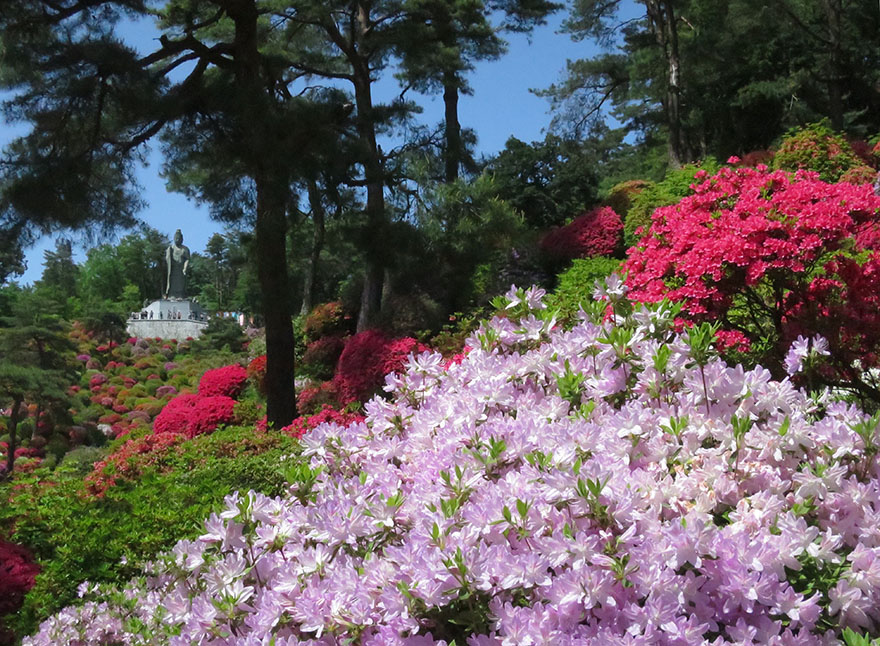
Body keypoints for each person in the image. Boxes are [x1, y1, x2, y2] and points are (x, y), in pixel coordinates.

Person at [164, 230, 191, 299]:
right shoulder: (171, 248)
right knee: (172, 283)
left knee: (180, 283)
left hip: (180, 269)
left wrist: (185, 268)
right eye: (176, 238)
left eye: (179, 239)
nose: (177, 240)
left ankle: (180, 295)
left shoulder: (185, 249)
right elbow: (167, 258)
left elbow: (187, 259)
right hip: (172, 269)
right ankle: (171, 295)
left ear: (182, 239)